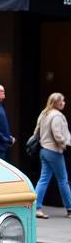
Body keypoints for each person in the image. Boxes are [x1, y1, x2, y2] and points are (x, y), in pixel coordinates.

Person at [33, 92, 71, 220]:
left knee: (43, 179)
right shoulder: (57, 116)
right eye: (62, 101)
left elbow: (36, 131)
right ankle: (70, 208)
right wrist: (64, 144)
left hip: (44, 150)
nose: (64, 103)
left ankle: (36, 207)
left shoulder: (44, 113)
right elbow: (57, 133)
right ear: (57, 103)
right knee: (63, 180)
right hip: (54, 151)